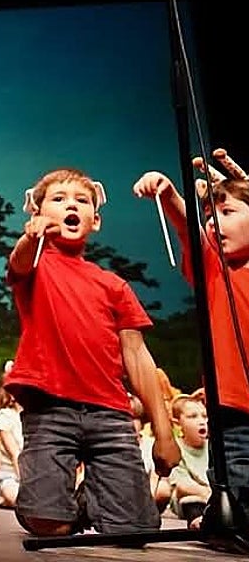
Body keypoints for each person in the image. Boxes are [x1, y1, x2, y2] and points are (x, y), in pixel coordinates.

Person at [7, 168, 179, 537]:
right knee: (49, 525)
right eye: (58, 199)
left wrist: (164, 432)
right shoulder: (35, 265)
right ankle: (60, 504)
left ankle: (97, 497)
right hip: (50, 408)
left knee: (134, 531)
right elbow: (19, 262)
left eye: (82, 201)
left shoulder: (113, 285)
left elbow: (138, 356)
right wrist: (30, 237)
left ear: (95, 221)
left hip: (110, 413)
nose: (71, 205)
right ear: (37, 214)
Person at [134, 164, 249, 515]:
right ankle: (222, 518)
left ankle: (215, 520)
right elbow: (189, 229)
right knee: (238, 490)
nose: (213, 223)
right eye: (210, 216)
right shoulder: (215, 268)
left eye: (227, 212)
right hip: (232, 410)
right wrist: (170, 195)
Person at [168, 393, 210, 529]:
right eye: (193, 416)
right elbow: (182, 485)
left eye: (204, 416)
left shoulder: (213, 446)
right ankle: (197, 521)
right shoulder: (176, 448)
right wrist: (206, 493)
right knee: (190, 500)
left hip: (214, 496)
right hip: (193, 497)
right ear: (178, 424)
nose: (201, 421)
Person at [0, 381, 23, 509]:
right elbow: (15, 455)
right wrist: (27, 485)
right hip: (11, 475)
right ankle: (5, 495)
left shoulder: (38, 417)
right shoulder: (5, 416)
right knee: (20, 499)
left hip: (36, 475)